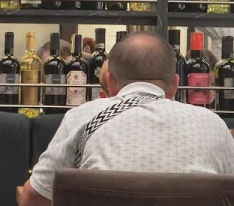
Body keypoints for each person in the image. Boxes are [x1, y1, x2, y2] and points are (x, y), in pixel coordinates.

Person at [19, 32, 234, 206]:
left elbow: (33, 197)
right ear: (175, 84)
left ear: (110, 81)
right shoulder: (213, 125)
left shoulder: (83, 118)